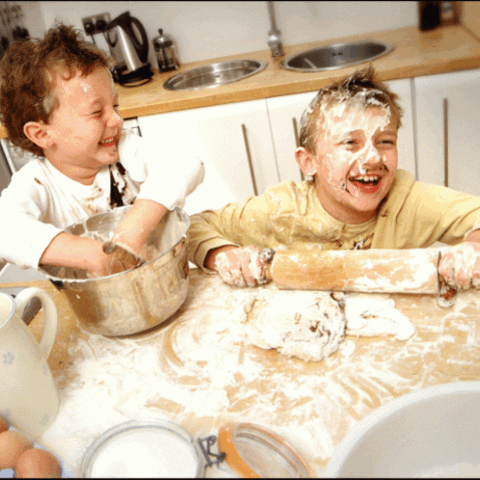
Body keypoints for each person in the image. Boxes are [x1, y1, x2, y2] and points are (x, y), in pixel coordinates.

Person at [187, 65, 480, 291]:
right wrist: (225, 255)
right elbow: (194, 227)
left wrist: (474, 248)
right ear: (308, 162)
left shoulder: (407, 203)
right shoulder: (283, 211)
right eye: (350, 143)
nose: (372, 158)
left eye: (385, 142)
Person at [0, 24, 204, 277]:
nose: (116, 120)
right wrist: (92, 255)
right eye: (97, 112)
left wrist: (133, 229)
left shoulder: (125, 149)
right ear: (42, 134)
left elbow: (186, 162)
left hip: (163, 279)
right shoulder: (36, 183)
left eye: (115, 106)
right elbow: (4, 229)